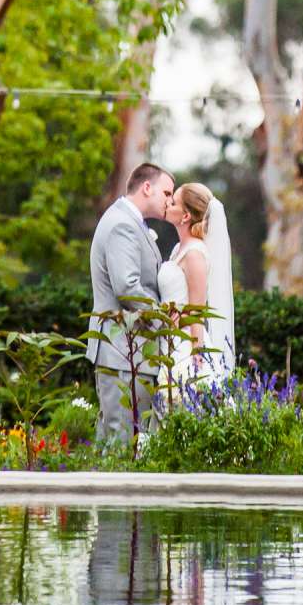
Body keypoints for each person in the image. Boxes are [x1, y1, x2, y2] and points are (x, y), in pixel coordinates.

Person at [88, 161, 173, 443]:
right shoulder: (122, 224)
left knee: (123, 442)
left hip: (131, 352)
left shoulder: (129, 221)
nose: (170, 201)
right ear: (147, 188)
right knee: (120, 442)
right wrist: (165, 319)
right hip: (123, 351)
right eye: (167, 193)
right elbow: (127, 287)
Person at [159, 182, 236, 386]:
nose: (168, 203)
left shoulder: (194, 254)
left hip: (184, 344)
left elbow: (197, 312)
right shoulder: (178, 249)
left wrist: (196, 356)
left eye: (173, 201)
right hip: (167, 339)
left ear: (185, 216)